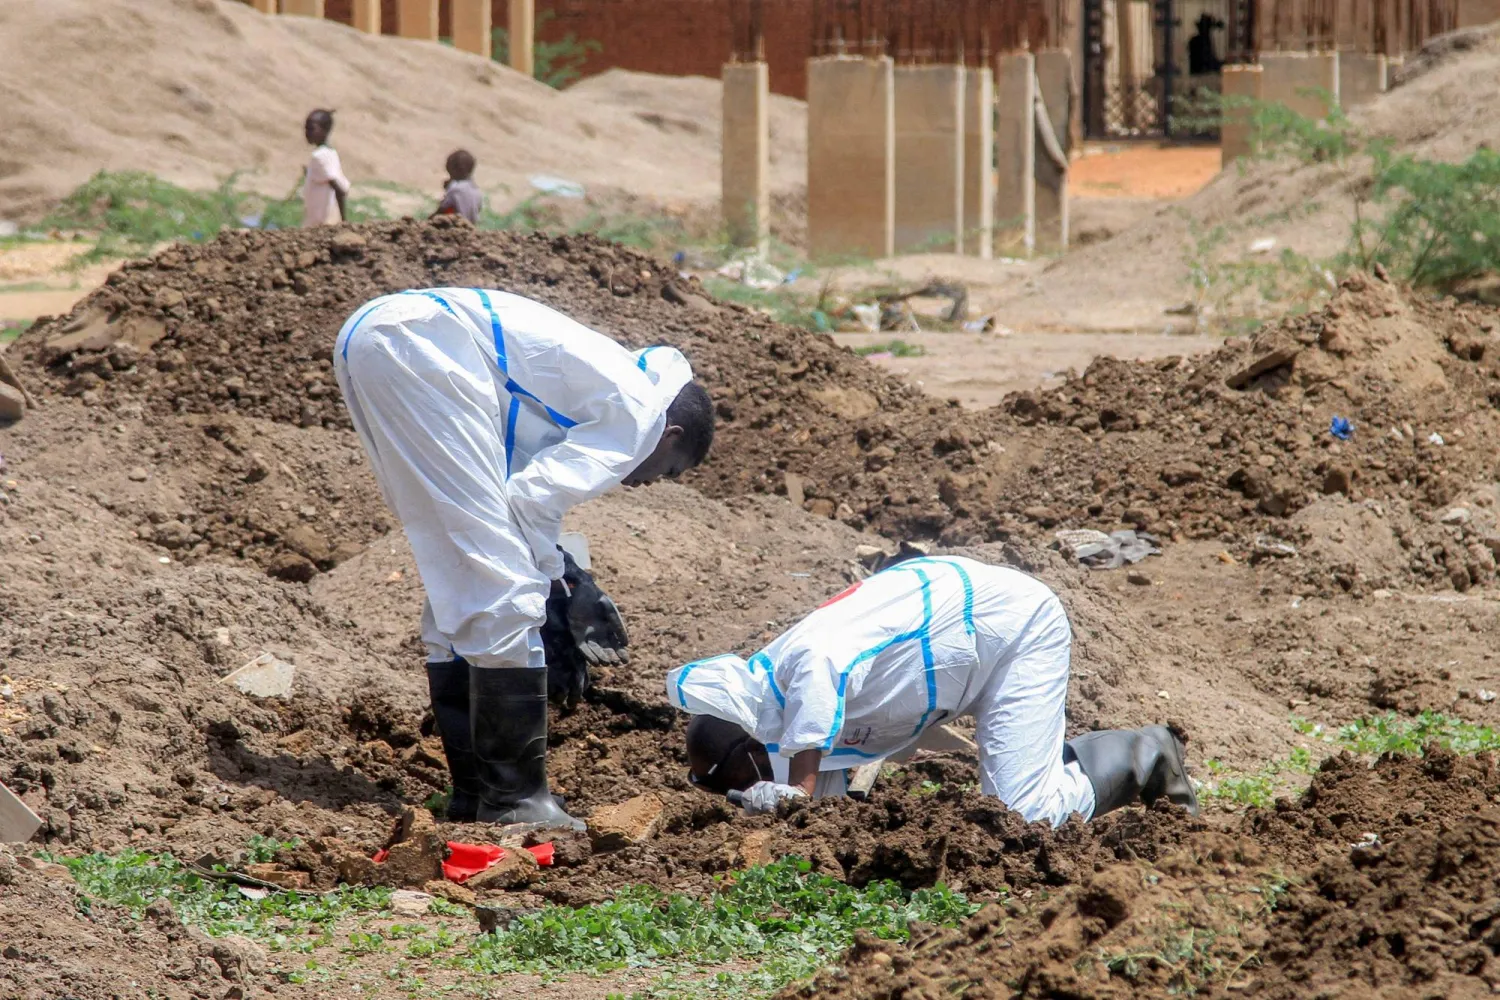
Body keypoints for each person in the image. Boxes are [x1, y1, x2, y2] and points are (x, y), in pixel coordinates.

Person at [334, 288, 715, 830]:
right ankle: (515, 800)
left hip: (380, 335)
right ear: (669, 436)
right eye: (670, 471)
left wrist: (556, 574)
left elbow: (520, 498)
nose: (649, 484)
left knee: (461, 571)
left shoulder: (589, 396)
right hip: (420, 347)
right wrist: (553, 584)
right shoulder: (638, 418)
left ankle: (473, 790)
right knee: (503, 588)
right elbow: (531, 500)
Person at [669, 554, 1198, 826]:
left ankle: (1142, 754)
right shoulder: (783, 707)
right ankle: (1052, 763)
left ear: (754, 751)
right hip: (956, 652)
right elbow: (818, 817)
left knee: (1024, 817)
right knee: (1018, 798)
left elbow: (821, 666)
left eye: (741, 782)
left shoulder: (805, 667)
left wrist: (798, 792)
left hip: (1008, 627)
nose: (747, 792)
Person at [302, 109, 350, 227]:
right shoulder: (330, 152)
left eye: (311, 128)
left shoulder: (320, 156)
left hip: (321, 221)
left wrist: (344, 220)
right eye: (306, 128)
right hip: (321, 220)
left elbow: (338, 188)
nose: (307, 132)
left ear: (324, 130)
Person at [431, 149, 483, 224]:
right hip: (470, 226)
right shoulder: (476, 190)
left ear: (454, 170)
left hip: (456, 225)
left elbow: (443, 208)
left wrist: (429, 220)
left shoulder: (455, 188)